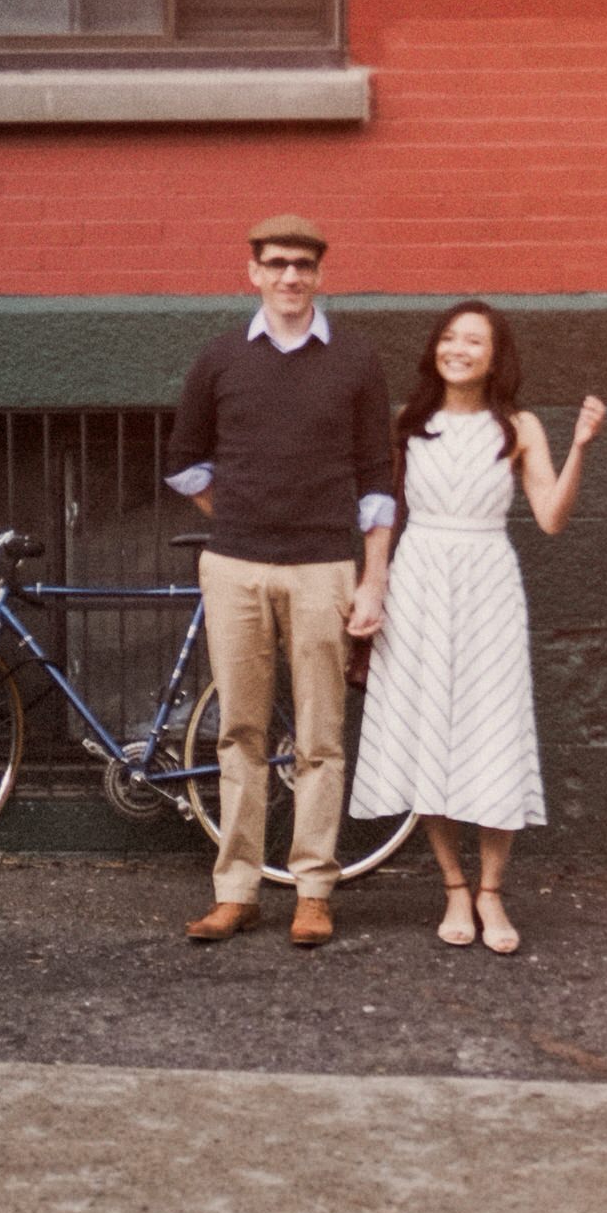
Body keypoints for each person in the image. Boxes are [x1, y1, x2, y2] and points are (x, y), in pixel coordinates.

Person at [347, 300, 606, 954]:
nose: (459, 349)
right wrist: (372, 582)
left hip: (489, 583)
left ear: (495, 357)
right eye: (449, 338)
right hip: (419, 581)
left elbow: (549, 516)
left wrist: (578, 449)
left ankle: (492, 891)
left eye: (474, 341)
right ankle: (454, 886)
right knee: (429, 726)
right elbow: (382, 514)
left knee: (494, 729)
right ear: (435, 349)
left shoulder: (519, 427)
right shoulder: (407, 424)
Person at [165, 215, 395, 948]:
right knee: (240, 731)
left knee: (321, 736)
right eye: (276, 264)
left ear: (320, 275)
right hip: (234, 566)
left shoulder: (355, 361)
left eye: (303, 265)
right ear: (253, 273)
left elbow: (377, 479)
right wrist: (232, 508)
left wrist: (374, 578)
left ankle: (314, 889)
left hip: (325, 567)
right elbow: (184, 459)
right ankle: (236, 890)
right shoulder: (221, 358)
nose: (290, 277)